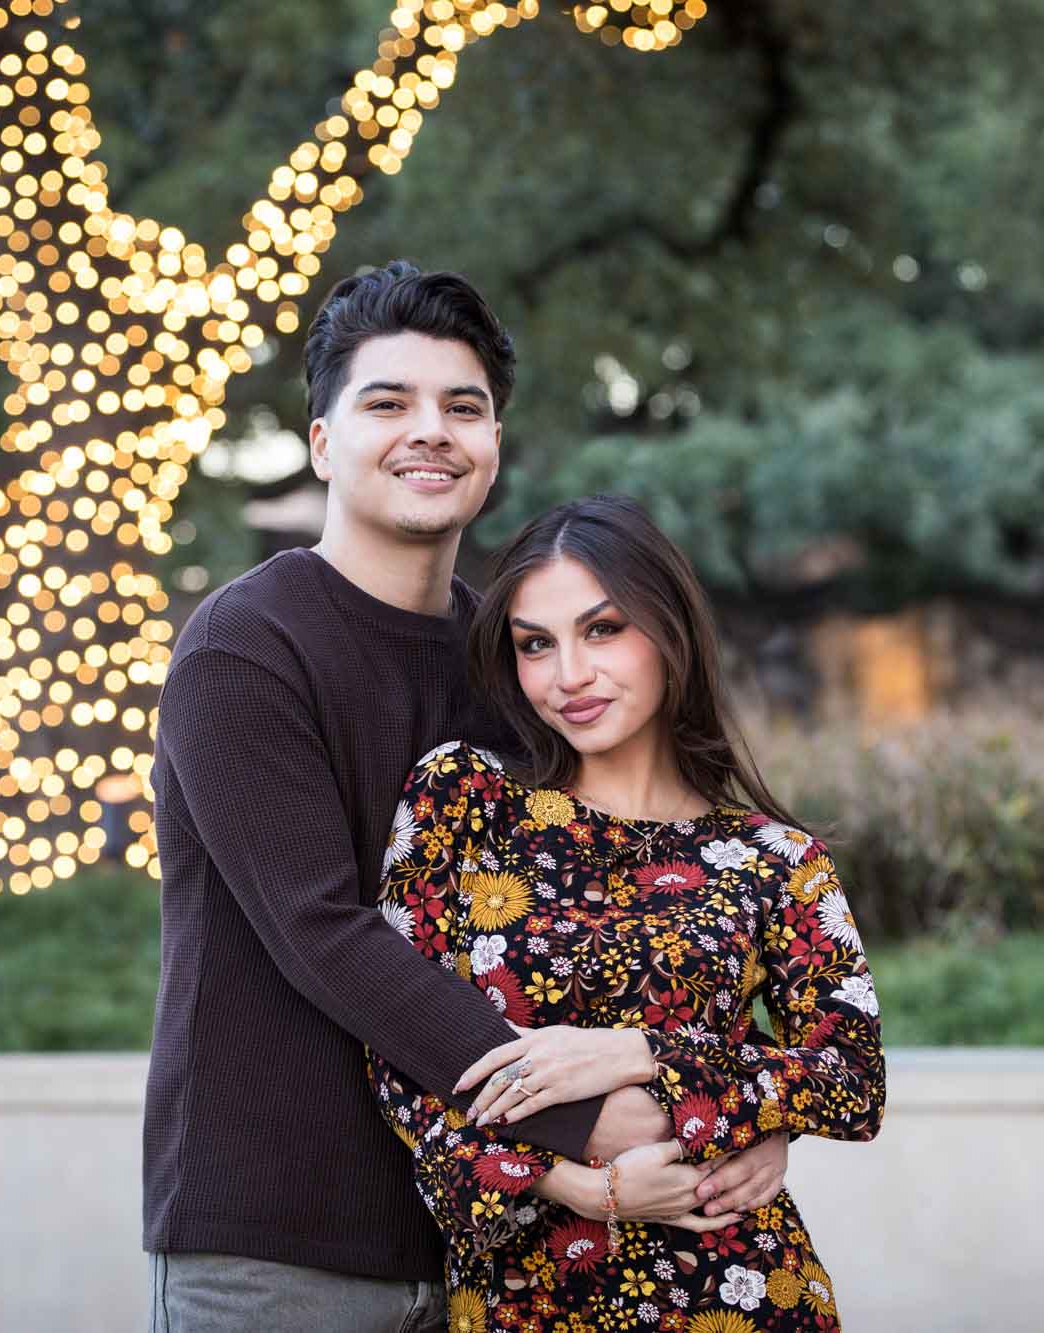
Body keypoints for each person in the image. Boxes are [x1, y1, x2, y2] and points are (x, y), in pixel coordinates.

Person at [143, 263, 785, 1331]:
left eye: (463, 407)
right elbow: (323, 930)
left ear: (493, 448)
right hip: (277, 1240)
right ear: (320, 442)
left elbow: (619, 910)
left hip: (500, 1240)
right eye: (386, 403)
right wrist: (585, 1111)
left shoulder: (516, 664)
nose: (427, 431)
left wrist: (732, 1110)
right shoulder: (242, 648)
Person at [367, 494, 887, 1332]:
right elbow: (397, 1049)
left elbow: (852, 1081)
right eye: (537, 643)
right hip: (526, 1295)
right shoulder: (464, 800)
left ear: (670, 631)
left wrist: (639, 1054)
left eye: (602, 629)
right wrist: (576, 1184)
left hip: (738, 1287)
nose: (568, 674)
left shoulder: (774, 858)